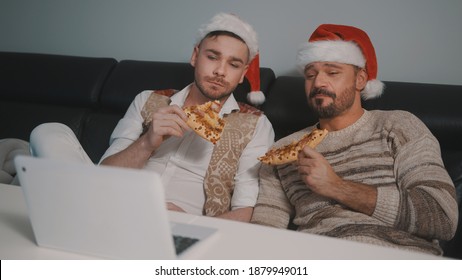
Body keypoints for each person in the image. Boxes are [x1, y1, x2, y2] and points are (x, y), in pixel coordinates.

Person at [30, 13, 274, 222]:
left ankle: (60, 204)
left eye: (233, 64)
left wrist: (190, 223)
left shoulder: (255, 124)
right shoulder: (148, 99)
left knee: (54, 184)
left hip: (180, 224)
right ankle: (71, 208)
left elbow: (245, 211)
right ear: (194, 56)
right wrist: (148, 141)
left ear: (243, 74)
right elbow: (105, 175)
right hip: (111, 204)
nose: (220, 71)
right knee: (48, 131)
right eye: (212, 57)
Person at [250, 24, 458, 255]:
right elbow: (264, 231)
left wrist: (337, 186)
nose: (318, 83)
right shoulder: (282, 150)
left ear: (360, 79)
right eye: (310, 74)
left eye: (332, 72)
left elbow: (442, 218)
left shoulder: (398, 126)